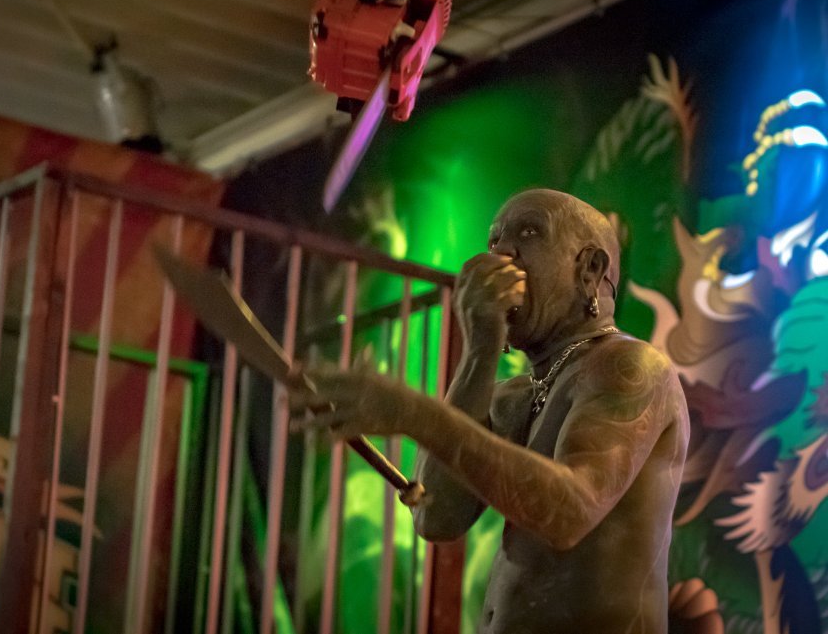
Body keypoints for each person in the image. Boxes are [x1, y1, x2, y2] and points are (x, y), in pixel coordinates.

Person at [290, 188, 690, 633]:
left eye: (529, 233)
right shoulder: (514, 394)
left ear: (590, 270)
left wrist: (413, 413)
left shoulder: (631, 367)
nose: (500, 253)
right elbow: (436, 516)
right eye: (494, 240)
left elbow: (569, 513)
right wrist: (480, 347)